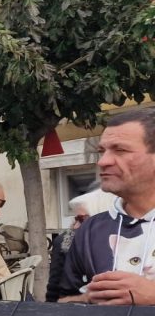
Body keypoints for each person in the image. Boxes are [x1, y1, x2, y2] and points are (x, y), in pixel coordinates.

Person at [57, 108, 155, 304]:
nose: (103, 161)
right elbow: (61, 303)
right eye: (102, 151)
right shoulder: (90, 231)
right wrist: (89, 298)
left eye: (120, 150)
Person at [45, 189, 116, 302]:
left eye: (82, 220)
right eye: (76, 220)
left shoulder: (123, 243)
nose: (76, 226)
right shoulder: (66, 241)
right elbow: (54, 291)